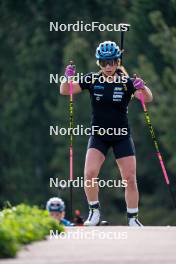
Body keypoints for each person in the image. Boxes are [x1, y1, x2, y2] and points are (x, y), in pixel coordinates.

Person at [60, 41, 153, 226]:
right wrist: (66, 78)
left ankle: (133, 218)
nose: (108, 67)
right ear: (99, 63)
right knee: (89, 174)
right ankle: (94, 212)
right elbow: (64, 90)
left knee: (129, 178)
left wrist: (142, 87)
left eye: (111, 62)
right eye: (104, 63)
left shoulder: (126, 82)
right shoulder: (92, 79)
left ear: (118, 62)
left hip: (121, 135)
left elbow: (147, 98)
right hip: (99, 135)